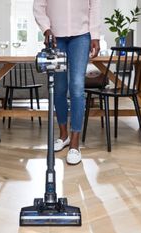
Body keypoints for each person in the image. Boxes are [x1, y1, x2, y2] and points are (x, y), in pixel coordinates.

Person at [33, 0, 101, 165]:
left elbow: (95, 6)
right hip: (56, 37)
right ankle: (63, 135)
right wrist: (46, 29)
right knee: (59, 88)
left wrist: (96, 35)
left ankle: (75, 143)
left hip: (81, 36)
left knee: (77, 87)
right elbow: (38, 6)